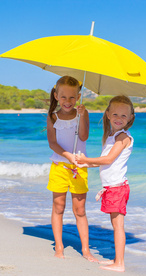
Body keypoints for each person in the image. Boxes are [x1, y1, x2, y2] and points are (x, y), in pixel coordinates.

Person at [75, 95, 135, 272]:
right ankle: (117, 260)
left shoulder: (123, 137)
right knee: (115, 225)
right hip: (111, 188)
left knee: (118, 226)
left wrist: (86, 158)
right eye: (115, 114)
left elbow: (108, 159)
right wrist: (84, 163)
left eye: (124, 116)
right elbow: (103, 161)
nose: (119, 119)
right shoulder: (112, 136)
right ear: (108, 114)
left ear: (130, 118)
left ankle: (120, 263)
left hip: (117, 188)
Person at [46, 75, 97, 262]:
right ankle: (59, 246)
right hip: (59, 166)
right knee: (58, 206)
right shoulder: (53, 116)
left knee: (80, 209)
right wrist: (67, 155)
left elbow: (83, 137)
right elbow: (52, 143)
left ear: (78, 97)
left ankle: (86, 250)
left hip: (79, 168)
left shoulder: (82, 114)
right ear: (56, 95)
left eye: (72, 97)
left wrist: (82, 116)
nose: (68, 101)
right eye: (64, 97)